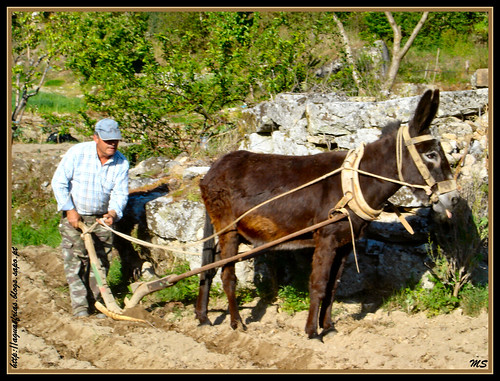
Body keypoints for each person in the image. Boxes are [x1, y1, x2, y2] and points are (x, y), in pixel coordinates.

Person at [51, 118, 129, 318]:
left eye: (115, 141)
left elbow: (120, 194)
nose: (112, 144)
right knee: (75, 261)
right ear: (96, 138)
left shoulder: (121, 162)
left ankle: (98, 303)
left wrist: (113, 213)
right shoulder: (78, 153)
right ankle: (80, 307)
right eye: (108, 140)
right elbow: (59, 182)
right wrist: (69, 210)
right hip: (75, 215)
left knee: (100, 263)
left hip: (101, 219)